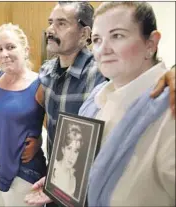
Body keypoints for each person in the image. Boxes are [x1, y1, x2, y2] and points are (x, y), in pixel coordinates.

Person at [24, 2, 176, 206]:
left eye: (117, 36)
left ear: (151, 43)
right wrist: (60, 184)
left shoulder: (169, 109)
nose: (103, 49)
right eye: (97, 39)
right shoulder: (98, 98)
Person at [0, 23, 47, 207]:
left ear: (26, 50)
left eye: (11, 47)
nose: (5, 54)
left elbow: (56, 125)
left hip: (22, 172)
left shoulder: (40, 84)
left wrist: (40, 141)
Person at [51, 123, 83, 198]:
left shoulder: (73, 178)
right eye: (69, 148)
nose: (72, 156)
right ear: (63, 149)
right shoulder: (53, 169)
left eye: (75, 151)